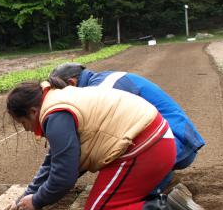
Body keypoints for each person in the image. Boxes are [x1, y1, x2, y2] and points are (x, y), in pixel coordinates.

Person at [3, 78, 214, 210]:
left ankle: (170, 209)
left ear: (32, 112)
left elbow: (64, 176)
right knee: (108, 203)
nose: (28, 130)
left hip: (144, 148)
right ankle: (166, 201)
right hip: (156, 142)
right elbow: (54, 161)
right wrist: (25, 196)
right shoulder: (59, 99)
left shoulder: (55, 115)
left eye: (23, 124)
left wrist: (37, 201)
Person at [49, 63, 205, 192]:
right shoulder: (101, 81)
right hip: (178, 141)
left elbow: (88, 145)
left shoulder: (101, 91)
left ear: (71, 83)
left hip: (175, 145)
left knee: (117, 191)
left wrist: (56, 182)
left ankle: (161, 196)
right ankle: (161, 179)